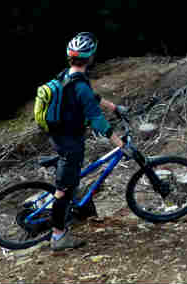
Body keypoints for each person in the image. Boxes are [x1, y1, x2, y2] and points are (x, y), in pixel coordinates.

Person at [47, 32, 126, 252]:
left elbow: (90, 96)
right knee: (64, 190)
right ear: (90, 57)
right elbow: (97, 121)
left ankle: (65, 220)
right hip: (69, 142)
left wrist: (113, 106)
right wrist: (120, 143)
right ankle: (58, 236)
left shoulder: (67, 75)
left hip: (60, 136)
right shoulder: (79, 84)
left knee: (70, 184)